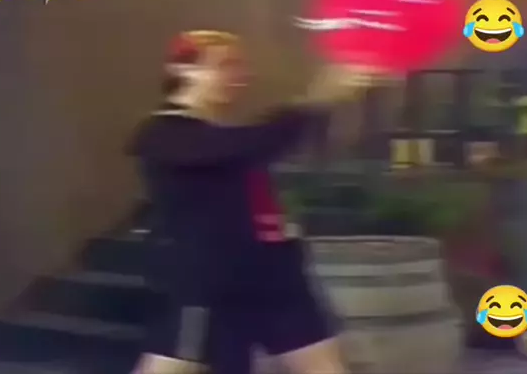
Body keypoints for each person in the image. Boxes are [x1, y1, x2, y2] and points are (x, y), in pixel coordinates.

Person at [127, 30, 376, 374]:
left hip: (275, 280)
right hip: (209, 289)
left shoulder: (222, 135)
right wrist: (315, 101)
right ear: (182, 70)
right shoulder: (163, 134)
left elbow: (251, 148)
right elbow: (250, 143)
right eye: (224, 65)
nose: (239, 75)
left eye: (240, 66)